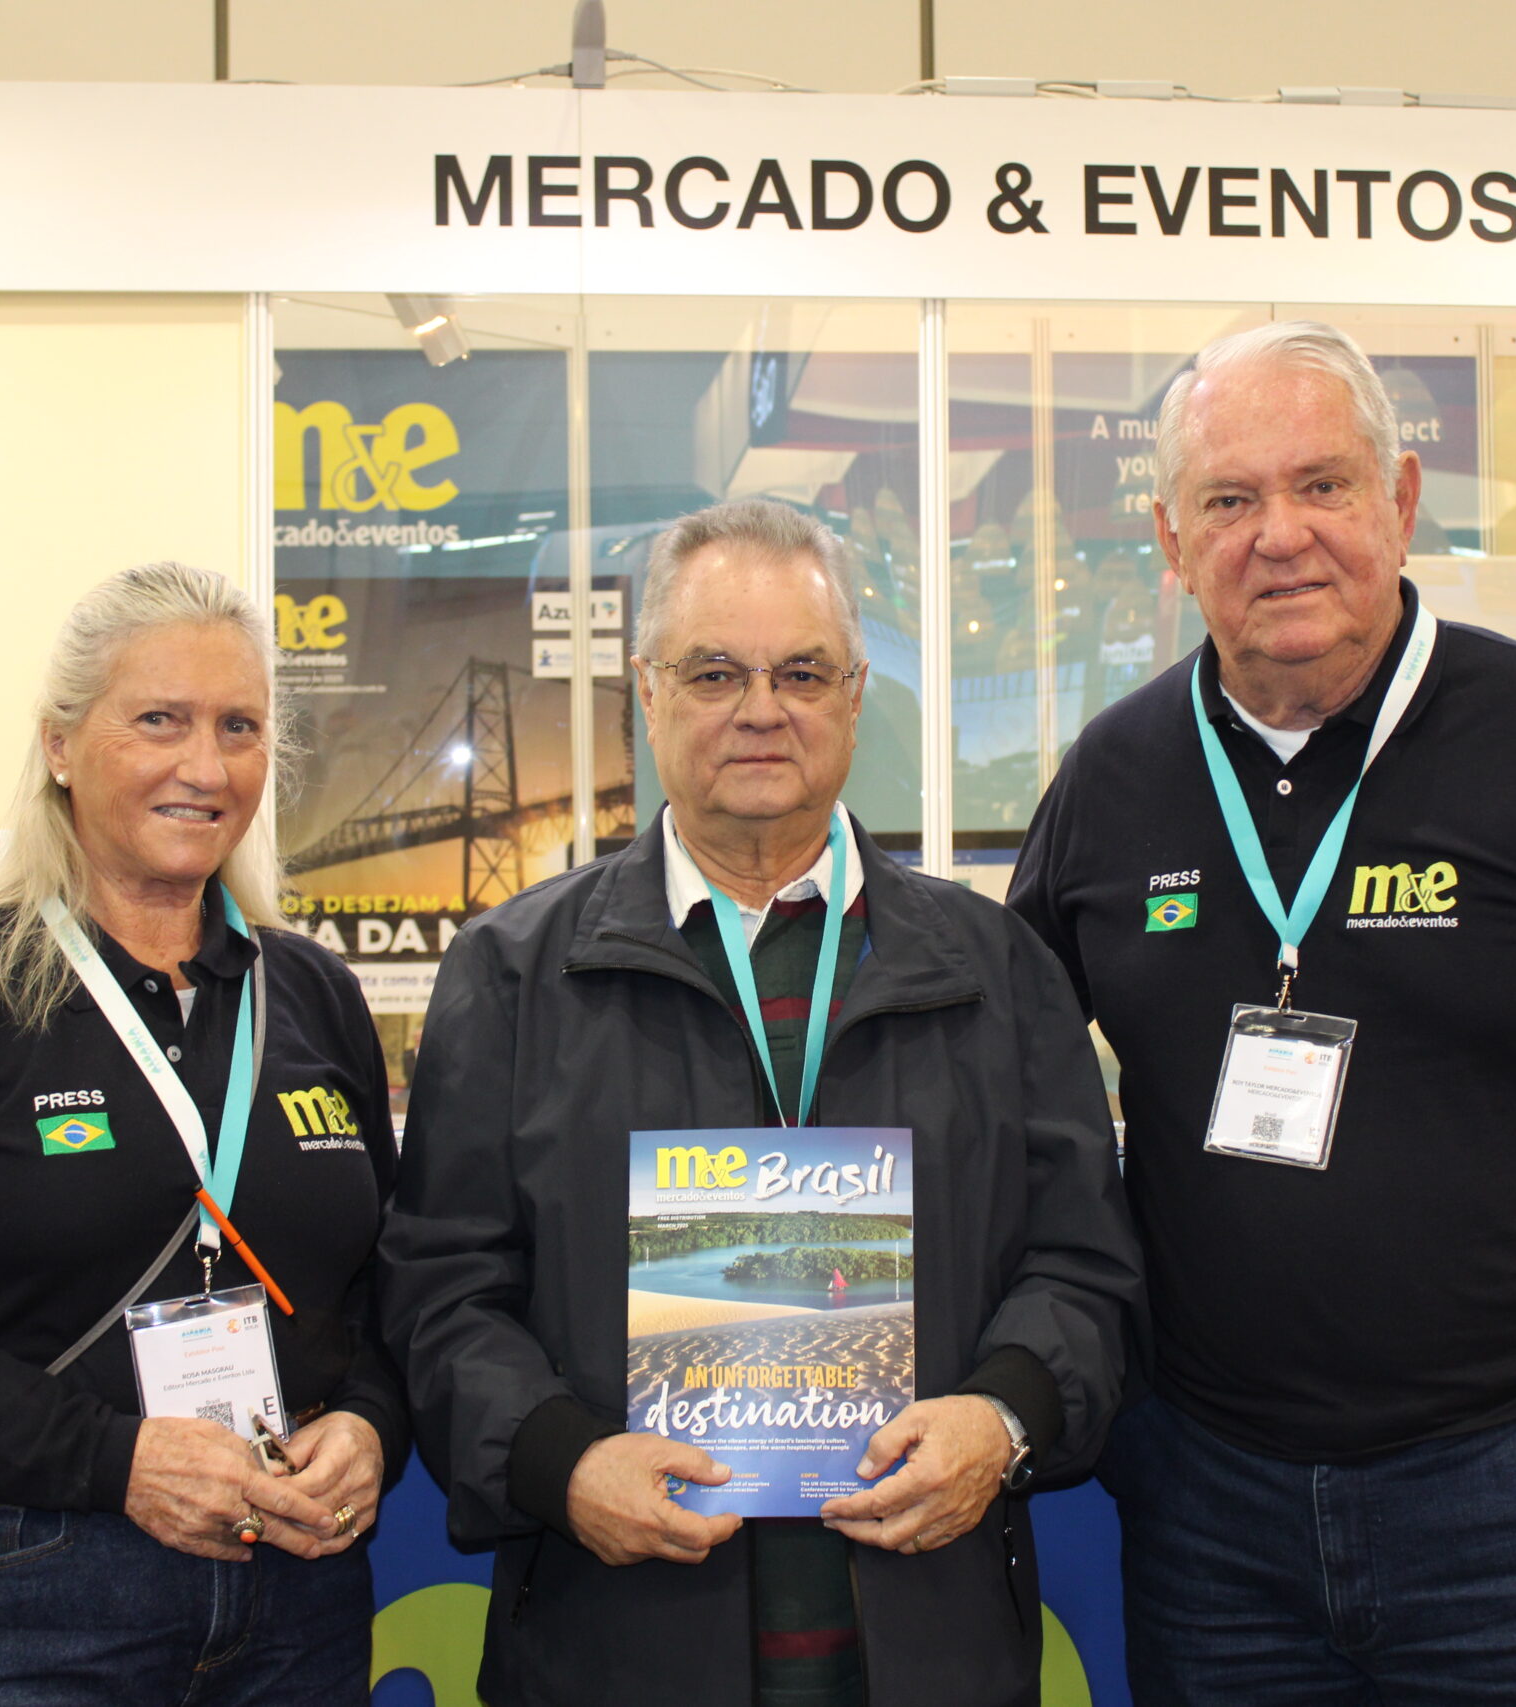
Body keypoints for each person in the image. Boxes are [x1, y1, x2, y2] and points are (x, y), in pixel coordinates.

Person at [1007, 321, 1516, 1705]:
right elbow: (999, 1088)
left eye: (1323, 484)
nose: (1282, 535)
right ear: (1170, 535)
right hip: (1209, 1511)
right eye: (1231, 499)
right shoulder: (1114, 776)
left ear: (1402, 499)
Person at [379, 499, 1141, 1707]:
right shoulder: (515, 973)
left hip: (928, 1640)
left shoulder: (994, 968)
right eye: (715, 671)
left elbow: (1086, 1267)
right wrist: (559, 1464)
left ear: (851, 695)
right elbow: (440, 1289)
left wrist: (1001, 1421)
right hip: (615, 1643)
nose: (760, 708)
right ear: (647, 687)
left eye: (801, 671)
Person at [0, 563, 406, 1706]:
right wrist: (115, 1460)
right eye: (157, 720)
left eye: (239, 727)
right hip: (28, 1584)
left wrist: (370, 1424)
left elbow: (387, 1285)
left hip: (299, 1587)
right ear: (62, 744)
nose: (204, 767)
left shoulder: (312, 992)